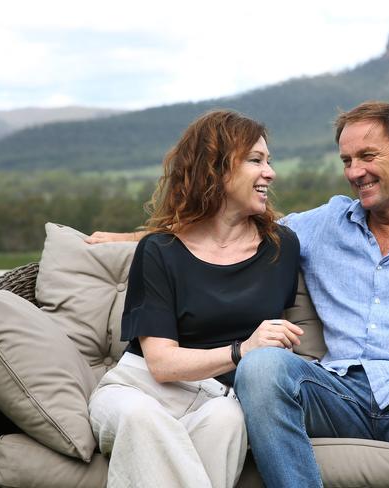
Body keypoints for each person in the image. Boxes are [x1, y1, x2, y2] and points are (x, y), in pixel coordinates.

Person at [89, 101, 389, 487]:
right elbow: (225, 228)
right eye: (347, 160)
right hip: (336, 389)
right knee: (262, 367)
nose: (355, 172)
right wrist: (132, 239)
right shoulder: (325, 224)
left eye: (368, 156)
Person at [87, 110, 302, 488]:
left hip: (218, 399)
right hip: (141, 391)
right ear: (215, 170)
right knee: (142, 419)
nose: (270, 173)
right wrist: (242, 350)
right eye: (256, 160)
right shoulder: (160, 251)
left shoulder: (281, 248)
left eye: (269, 161)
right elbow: (162, 364)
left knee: (229, 420)